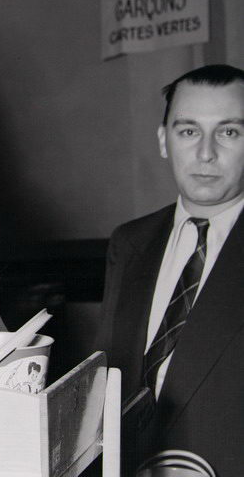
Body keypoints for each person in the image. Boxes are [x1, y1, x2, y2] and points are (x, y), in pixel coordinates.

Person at [96, 64, 244, 475]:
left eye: (229, 132)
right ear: (164, 141)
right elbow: (107, 379)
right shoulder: (130, 242)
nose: (206, 153)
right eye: (189, 131)